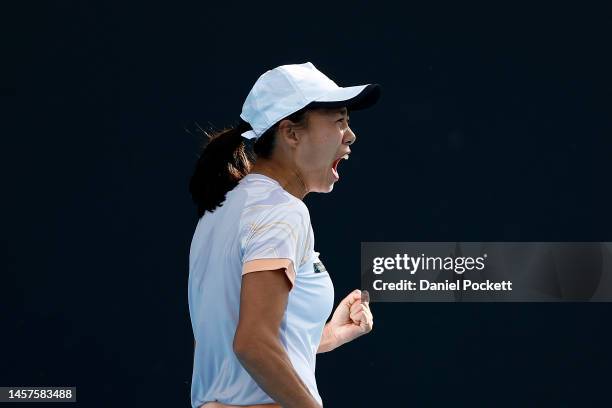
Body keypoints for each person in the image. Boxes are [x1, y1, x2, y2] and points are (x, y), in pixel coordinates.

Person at [188, 62, 380, 408]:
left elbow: (237, 335)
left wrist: (328, 335)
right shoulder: (281, 211)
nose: (350, 135)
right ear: (291, 133)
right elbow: (252, 344)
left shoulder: (223, 208)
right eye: (339, 121)